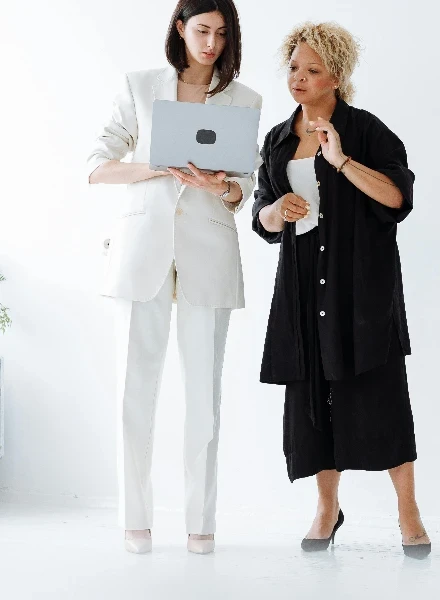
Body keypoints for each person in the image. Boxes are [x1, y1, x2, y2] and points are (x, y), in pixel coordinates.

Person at [86, 0, 262, 555]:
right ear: (181, 30)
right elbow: (96, 165)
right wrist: (156, 166)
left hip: (208, 253)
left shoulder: (244, 99)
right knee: (133, 393)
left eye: (221, 32)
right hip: (143, 254)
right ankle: (134, 519)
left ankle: (200, 523)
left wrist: (221, 187)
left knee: (203, 398)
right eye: (201, 30)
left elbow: (244, 187)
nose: (210, 43)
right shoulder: (140, 86)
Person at [251, 21, 430, 558]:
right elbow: (261, 216)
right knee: (312, 405)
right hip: (303, 289)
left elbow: (398, 197)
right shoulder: (278, 138)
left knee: (383, 400)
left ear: (337, 77)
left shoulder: (367, 131)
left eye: (312, 70)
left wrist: (341, 161)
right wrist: (276, 211)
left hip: (360, 292)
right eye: (294, 68)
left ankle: (409, 512)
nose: (298, 79)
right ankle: (327, 510)